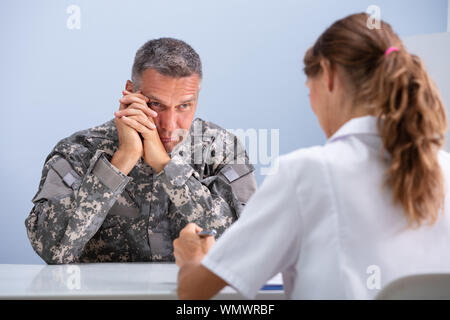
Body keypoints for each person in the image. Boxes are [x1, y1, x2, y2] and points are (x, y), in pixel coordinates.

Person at [173, 13, 450, 299]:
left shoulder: (307, 173)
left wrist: (192, 257)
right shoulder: (445, 169)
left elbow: (195, 292)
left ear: (328, 76)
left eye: (309, 90)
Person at [25, 38, 257, 264]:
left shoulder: (222, 150)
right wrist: (120, 162)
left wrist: (167, 167)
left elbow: (247, 245)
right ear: (130, 92)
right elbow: (52, 249)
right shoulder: (79, 151)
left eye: (184, 106)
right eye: (156, 104)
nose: (170, 124)